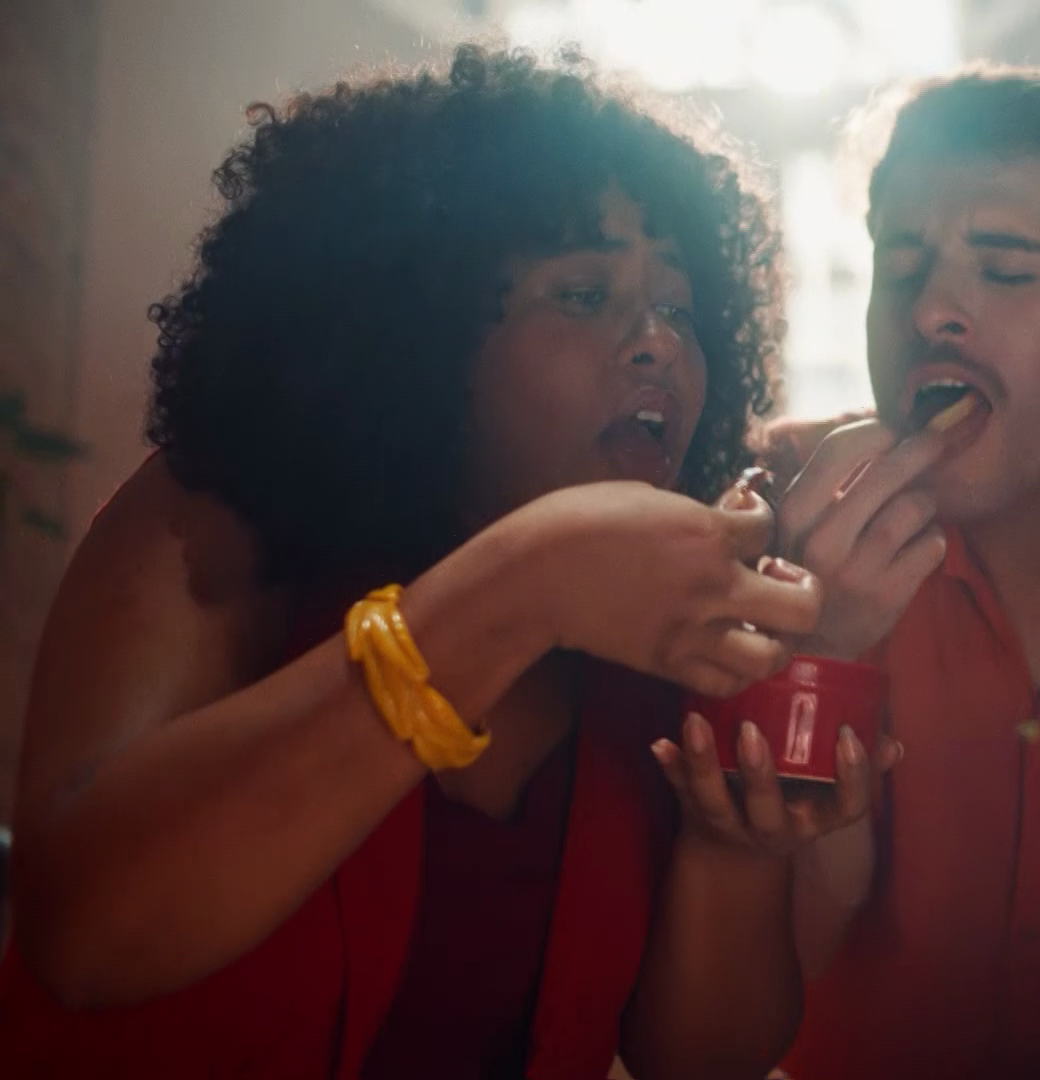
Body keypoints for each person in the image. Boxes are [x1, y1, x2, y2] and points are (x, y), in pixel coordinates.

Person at [0, 45, 893, 1080]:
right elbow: (86, 939)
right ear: (415, 329)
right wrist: (521, 589)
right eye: (583, 292)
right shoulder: (218, 516)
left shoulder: (665, 623)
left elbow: (696, 1058)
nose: (658, 342)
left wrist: (732, 849)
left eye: (681, 310)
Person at [758, 66, 1040, 1080]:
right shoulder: (781, 524)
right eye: (901, 262)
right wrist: (814, 655)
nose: (932, 310)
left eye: (1006, 271)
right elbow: (741, 999)